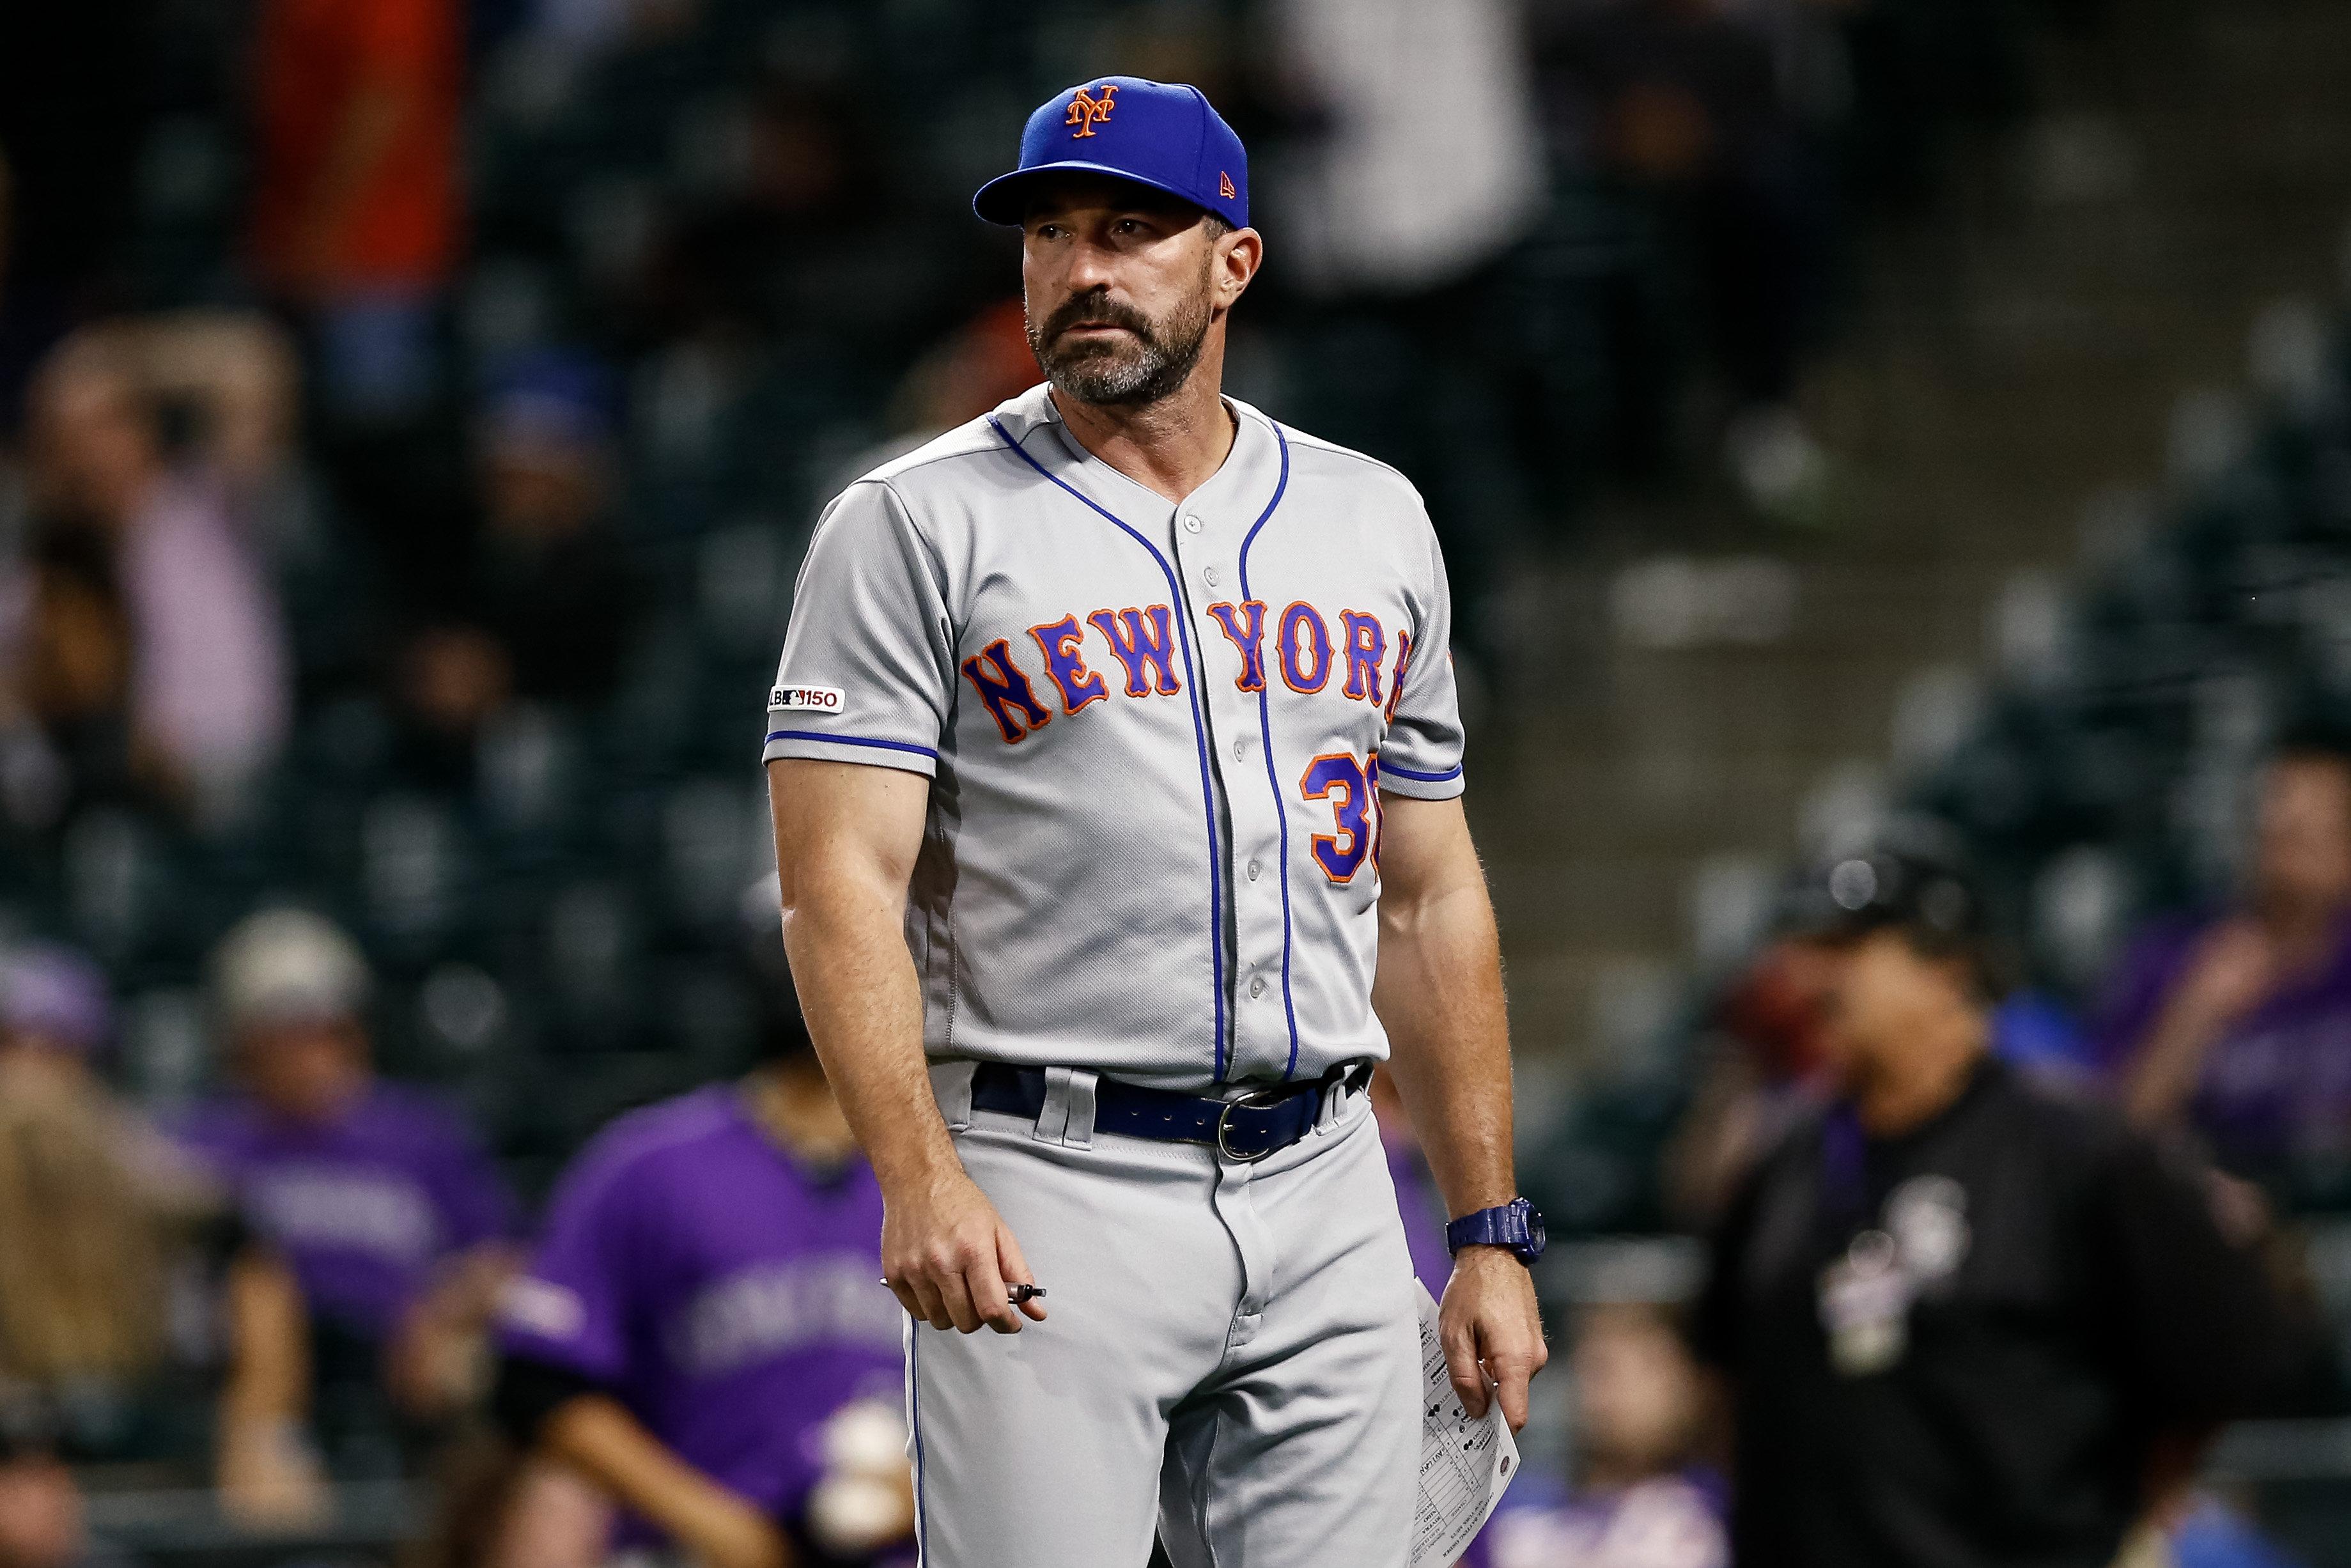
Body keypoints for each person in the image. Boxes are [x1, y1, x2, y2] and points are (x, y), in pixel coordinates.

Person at [763, 77, 1546, 1567]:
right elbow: (835, 882)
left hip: (1325, 1172)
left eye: (1131, 230)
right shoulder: (912, 521)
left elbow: (1428, 894)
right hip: (1049, 1180)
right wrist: (916, 1171)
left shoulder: (1372, 516)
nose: (1083, 270)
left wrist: (1484, 1228)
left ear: (1234, 261)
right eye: (1050, 235)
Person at [1696, 838, 2309, 1568]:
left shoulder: (2072, 1148)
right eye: (1808, 951)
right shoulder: (1783, 1164)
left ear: (1947, 965)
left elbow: (2234, 1350)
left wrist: (2139, 1497)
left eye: (1847, 949)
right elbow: (1722, 1372)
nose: (1812, 978)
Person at [491, 931, 912, 1568]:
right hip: (700, 1547)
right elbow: (538, 1383)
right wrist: (705, 1516)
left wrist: (931, 1489)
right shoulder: (650, 1166)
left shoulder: (951, 1173)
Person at [0, 942, 323, 1526]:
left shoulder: (166, 1186)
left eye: (55, 1048)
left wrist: (261, 1433)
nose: (31, 1074)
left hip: (159, 1457)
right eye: (11, 1046)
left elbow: (254, 1275)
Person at [175, 910, 521, 1441]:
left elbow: (501, 1261)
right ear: (243, 1047)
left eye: (326, 1032)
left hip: (401, 1366)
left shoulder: (423, 1135)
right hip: (248, 1377)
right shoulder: (206, 1142)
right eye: (286, 1036)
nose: (311, 1055)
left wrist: (442, 1311)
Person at [2099, 728, 2351, 1197]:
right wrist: (2193, 1015)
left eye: (2315, 833)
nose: (2286, 851)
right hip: (2212, 1216)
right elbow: (2113, 1142)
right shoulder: (2173, 954)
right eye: (2277, 829)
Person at [1486, 1303, 1726, 1568]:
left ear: (1689, 1382)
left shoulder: (1713, 1511)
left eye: (1646, 1365)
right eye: (1599, 1367)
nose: (1620, 1386)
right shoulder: (1518, 1509)